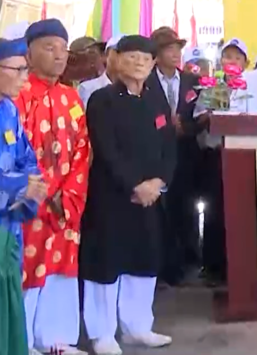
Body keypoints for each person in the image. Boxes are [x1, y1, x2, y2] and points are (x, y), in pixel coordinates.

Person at [80, 35, 176, 354]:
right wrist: (135, 185)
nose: (139, 63)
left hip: (150, 196)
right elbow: (106, 149)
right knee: (106, 263)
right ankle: (102, 334)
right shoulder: (102, 100)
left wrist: (158, 182)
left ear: (153, 64)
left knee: (144, 259)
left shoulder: (156, 100)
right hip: (112, 195)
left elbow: (169, 147)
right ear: (116, 59)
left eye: (145, 59)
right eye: (132, 56)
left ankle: (137, 327)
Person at [17, 19, 91, 355]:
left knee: (61, 270)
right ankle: (21, 342)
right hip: (29, 203)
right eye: (49, 48)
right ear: (28, 53)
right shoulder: (18, 95)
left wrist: (70, 193)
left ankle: (55, 340)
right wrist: (43, 191)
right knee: (26, 271)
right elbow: (15, 151)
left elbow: (83, 149)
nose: (59, 56)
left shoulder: (71, 97)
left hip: (65, 204)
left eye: (63, 49)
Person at [0, 38, 46, 355]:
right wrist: (19, 187)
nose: (24, 78)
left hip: (10, 226)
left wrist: (33, 185)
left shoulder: (9, 109)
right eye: (17, 70)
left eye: (25, 70)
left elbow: (27, 158)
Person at [145, 27, 201, 286]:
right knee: (160, 211)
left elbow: (201, 117)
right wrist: (163, 127)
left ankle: (187, 261)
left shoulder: (192, 81)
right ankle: (162, 265)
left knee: (185, 207)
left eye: (178, 48)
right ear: (157, 54)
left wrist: (185, 128)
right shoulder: (146, 81)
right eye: (169, 49)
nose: (176, 53)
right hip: (156, 155)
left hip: (186, 153)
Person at [195, 38, 249, 286]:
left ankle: (239, 268)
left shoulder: (252, 87)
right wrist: (210, 115)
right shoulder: (213, 87)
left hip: (244, 157)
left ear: (245, 63)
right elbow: (198, 120)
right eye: (228, 56)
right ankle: (213, 268)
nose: (232, 61)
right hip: (216, 156)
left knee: (241, 213)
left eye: (237, 58)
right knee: (215, 212)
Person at [78, 36, 122, 107]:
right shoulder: (87, 88)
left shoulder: (135, 90)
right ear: (106, 55)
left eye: (130, 55)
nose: (124, 57)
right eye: (118, 52)